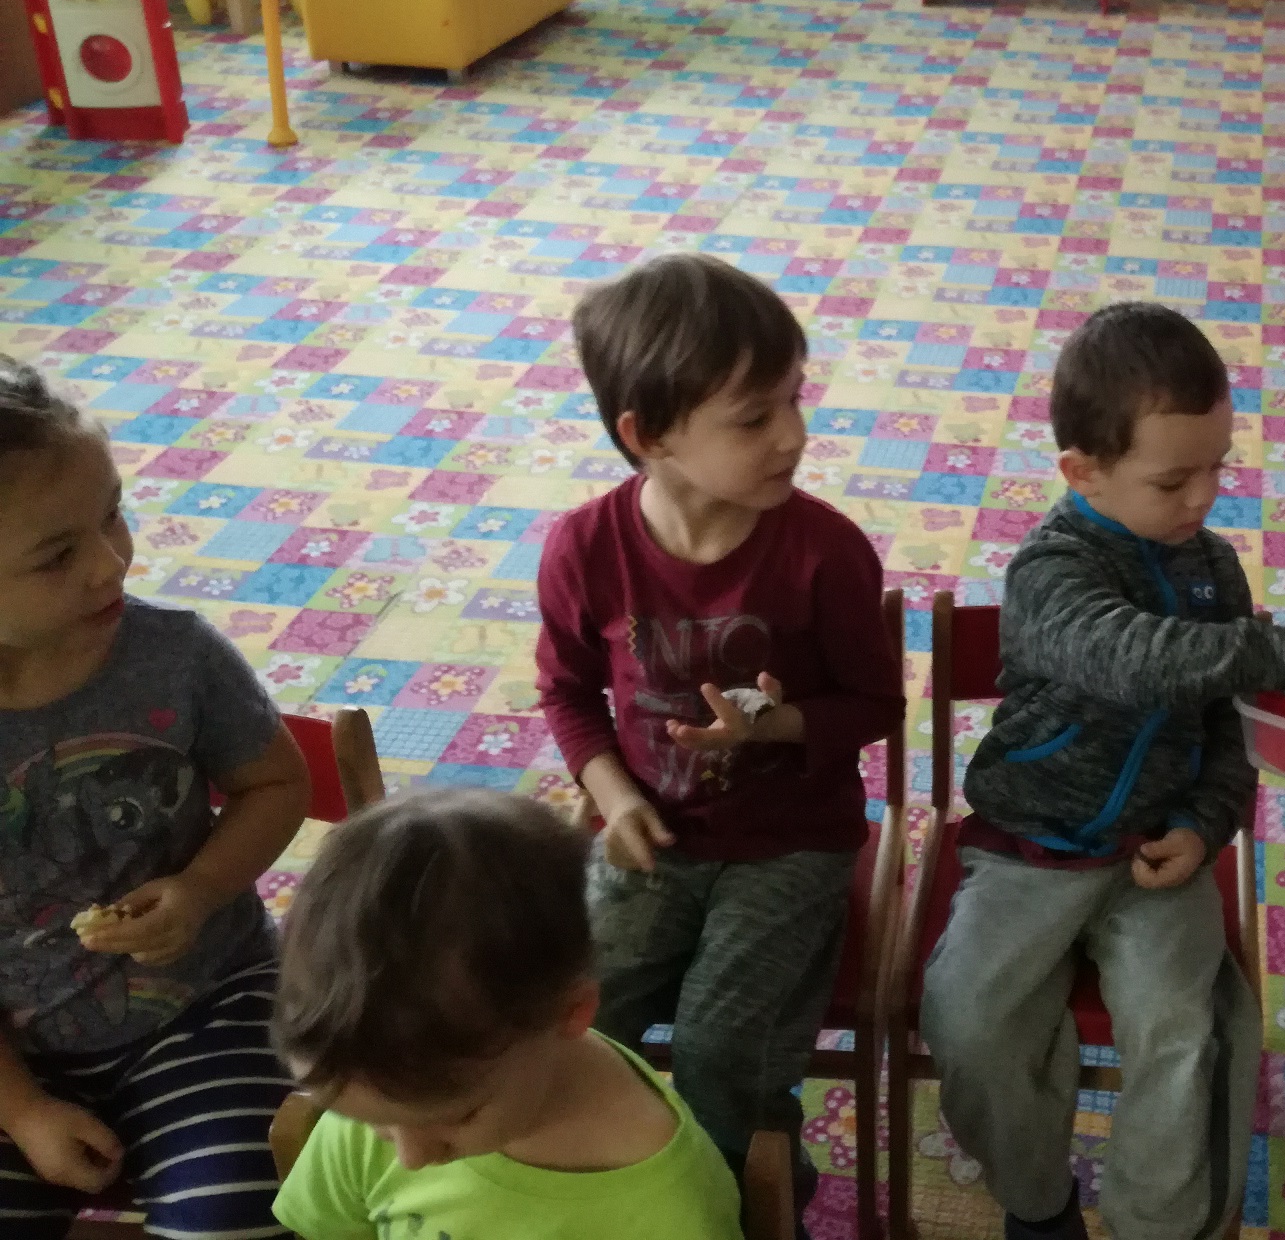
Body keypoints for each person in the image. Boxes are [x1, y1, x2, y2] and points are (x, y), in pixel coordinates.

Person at [920, 302, 1285, 1240]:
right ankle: (1038, 1204)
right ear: (1082, 472)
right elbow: (1134, 658)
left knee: (1191, 1036)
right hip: (1031, 845)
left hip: (1158, 853)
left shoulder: (1214, 568)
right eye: (1174, 479)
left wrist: (1205, 823)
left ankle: (1159, 1225)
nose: (1203, 499)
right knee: (969, 1021)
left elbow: (1229, 729)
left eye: (1219, 467)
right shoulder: (1048, 569)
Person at [535, 253, 903, 1221]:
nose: (793, 434)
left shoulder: (825, 550)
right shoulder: (583, 548)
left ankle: (749, 1203)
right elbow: (566, 693)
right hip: (655, 836)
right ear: (647, 435)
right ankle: (620, 1189)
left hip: (792, 843)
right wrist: (615, 797)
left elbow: (877, 704)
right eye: (753, 418)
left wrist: (780, 724)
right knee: (571, 1020)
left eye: (794, 399)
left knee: (723, 1052)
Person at [0, 356, 313, 1238]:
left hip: (212, 1004)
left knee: (237, 1216)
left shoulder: (174, 657)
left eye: (113, 514)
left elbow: (277, 781)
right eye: (56, 556)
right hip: (12, 1062)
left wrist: (201, 888)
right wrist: (24, 1112)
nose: (110, 565)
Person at [271, 789, 744, 1240]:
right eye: (374, 1126)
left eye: (460, 1117)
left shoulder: (672, 1211)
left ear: (571, 1012)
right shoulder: (381, 1089)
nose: (411, 1157)